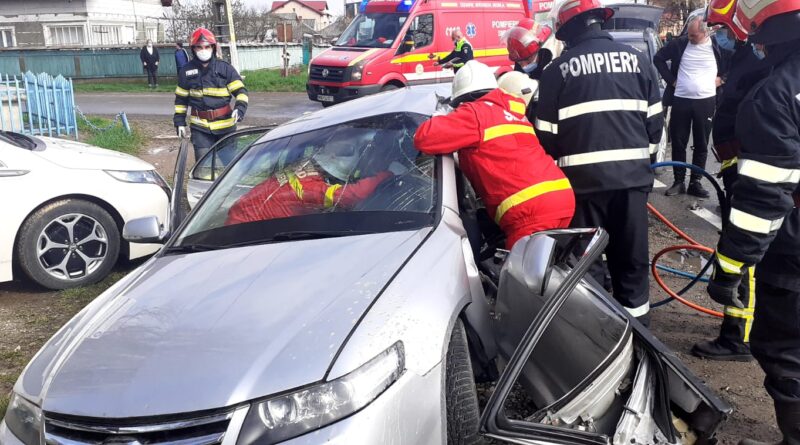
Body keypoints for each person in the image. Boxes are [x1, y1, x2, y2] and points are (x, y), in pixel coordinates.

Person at [534, 0, 664, 325]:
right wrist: (639, 166)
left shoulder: (555, 73)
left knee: (586, 266)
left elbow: (545, 137)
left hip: (582, 189)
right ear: (600, 22)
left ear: (567, 32)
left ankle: (596, 338)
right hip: (632, 185)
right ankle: (638, 334)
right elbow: (655, 125)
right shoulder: (639, 61)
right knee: (631, 264)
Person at [709, 0, 800, 443]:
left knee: (786, 350)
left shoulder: (777, 92)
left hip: (794, 250)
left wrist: (729, 267)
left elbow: (764, 197)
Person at [414, 61, 575, 249]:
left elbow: (424, 138)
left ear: (463, 100)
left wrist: (441, 116)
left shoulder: (474, 113)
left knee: (518, 267)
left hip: (529, 211)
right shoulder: (510, 111)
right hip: (560, 196)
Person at [690, 0, 769, 362]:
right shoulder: (745, 60)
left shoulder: (759, 64)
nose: (718, 35)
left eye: (722, 28)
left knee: (745, 254)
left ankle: (737, 337)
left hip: (750, 170)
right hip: (739, 165)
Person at [226, 135, 402, 224]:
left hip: (243, 216)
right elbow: (350, 195)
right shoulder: (309, 189)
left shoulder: (305, 164)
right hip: (244, 232)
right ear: (332, 158)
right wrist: (388, 174)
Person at [654, 16, 725, 198]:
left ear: (705, 32)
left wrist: (723, 79)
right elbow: (658, 58)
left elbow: (736, 64)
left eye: (694, 35)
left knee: (701, 143)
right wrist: (671, 80)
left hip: (706, 101)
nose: (690, 38)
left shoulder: (718, 46)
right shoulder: (680, 44)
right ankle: (679, 181)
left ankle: (695, 182)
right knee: (679, 142)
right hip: (681, 99)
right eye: (689, 34)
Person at [174, 28, 248, 163]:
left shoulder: (225, 68)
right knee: (203, 167)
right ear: (193, 49)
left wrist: (240, 108)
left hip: (225, 127)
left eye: (207, 47)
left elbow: (241, 92)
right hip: (200, 128)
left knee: (231, 166)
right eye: (199, 47)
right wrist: (179, 122)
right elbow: (181, 100)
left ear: (213, 47)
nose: (203, 50)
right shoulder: (186, 71)